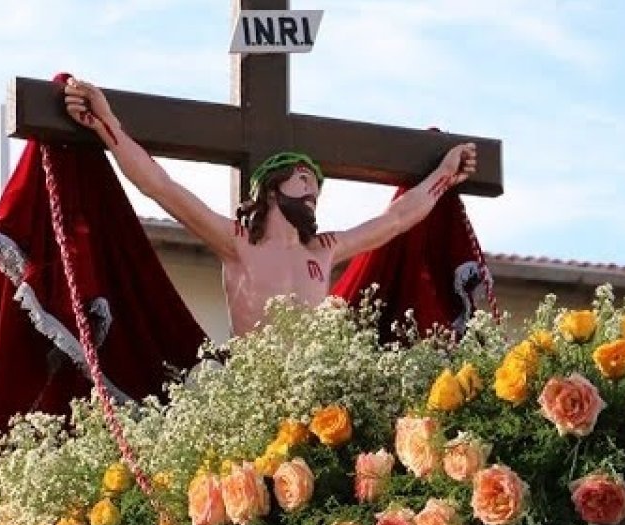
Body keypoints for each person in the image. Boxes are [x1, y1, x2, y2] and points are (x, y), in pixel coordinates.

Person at [64, 78, 478, 336]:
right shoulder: (239, 243)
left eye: (317, 186)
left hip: (313, 398)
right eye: (303, 180)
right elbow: (162, 187)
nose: (313, 191)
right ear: (273, 192)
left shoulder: (323, 248)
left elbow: (398, 218)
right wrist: (109, 127)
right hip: (252, 395)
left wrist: (444, 172)